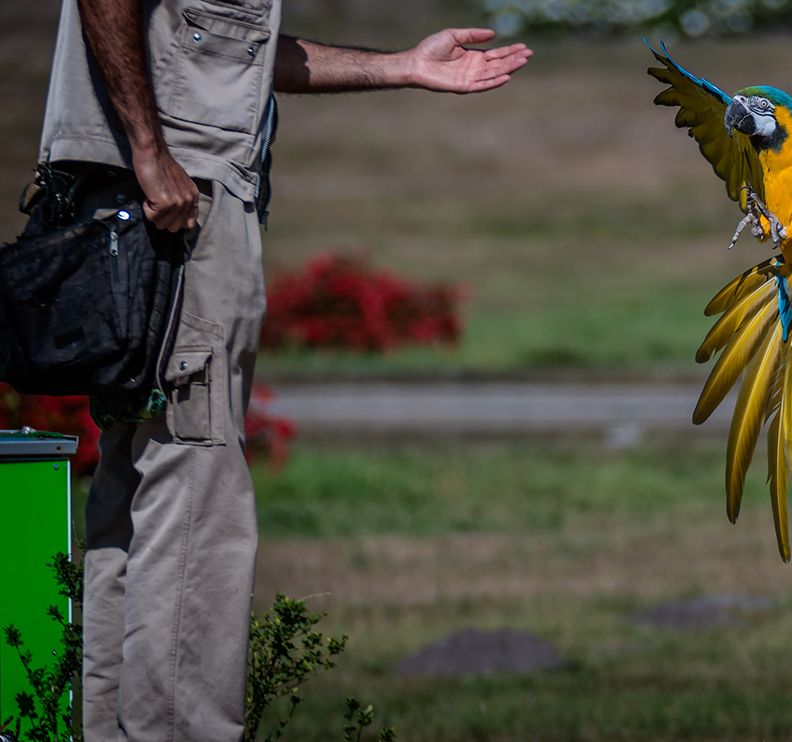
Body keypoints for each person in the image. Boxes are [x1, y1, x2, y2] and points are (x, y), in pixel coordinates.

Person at [36, 1, 532, 739]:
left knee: (137, 481)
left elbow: (229, 44)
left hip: (144, 195)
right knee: (196, 491)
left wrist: (399, 66)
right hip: (177, 201)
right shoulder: (160, 160)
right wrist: (149, 147)